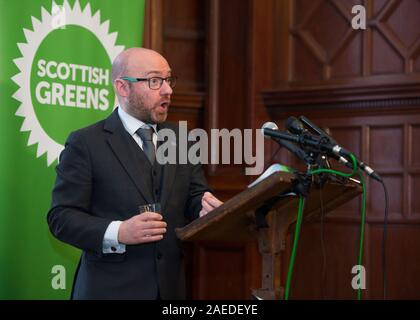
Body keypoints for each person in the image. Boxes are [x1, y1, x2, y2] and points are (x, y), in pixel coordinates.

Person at [47, 47, 223, 300]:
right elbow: (61, 218)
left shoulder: (182, 139)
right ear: (122, 87)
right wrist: (118, 232)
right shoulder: (86, 143)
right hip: (109, 291)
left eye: (168, 79)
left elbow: (193, 195)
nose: (168, 90)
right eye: (154, 81)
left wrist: (204, 207)